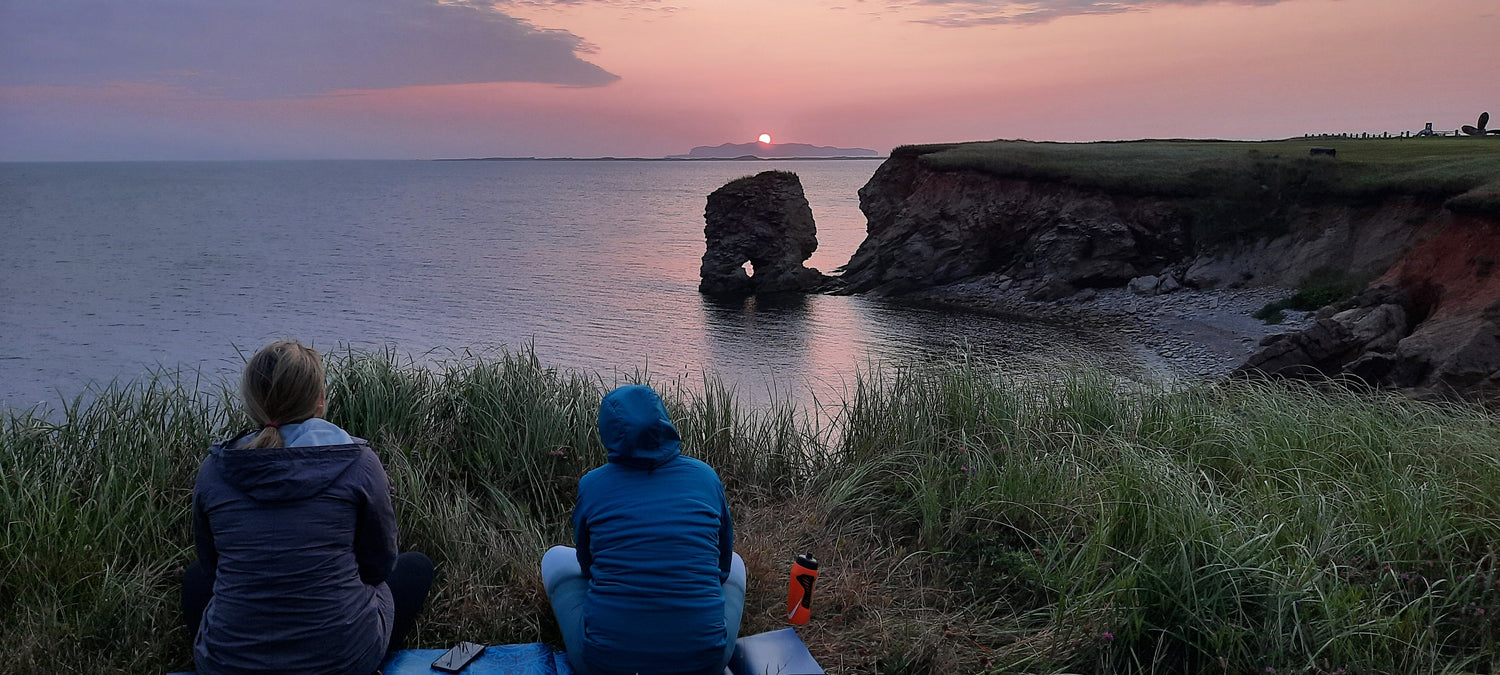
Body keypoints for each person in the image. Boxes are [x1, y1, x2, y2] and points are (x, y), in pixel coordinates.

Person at [181, 340, 433, 675]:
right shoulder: (359, 463)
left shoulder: (215, 469)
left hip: (225, 664)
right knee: (415, 567)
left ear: (253, 401)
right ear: (319, 399)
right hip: (342, 662)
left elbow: (213, 567)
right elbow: (378, 568)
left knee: (197, 578)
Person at [542, 384, 747, 675]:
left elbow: (587, 567)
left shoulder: (592, 484)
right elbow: (723, 566)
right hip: (706, 663)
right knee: (738, 563)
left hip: (604, 664)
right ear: (664, 421)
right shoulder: (705, 477)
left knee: (554, 558)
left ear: (607, 432)